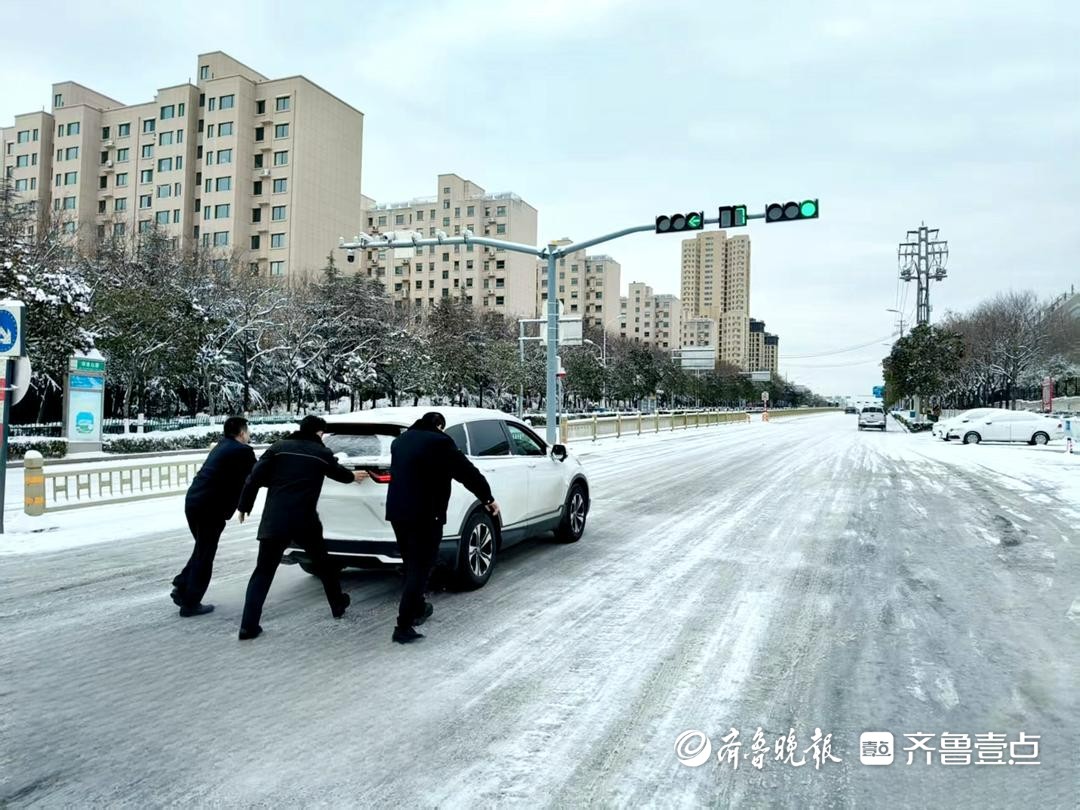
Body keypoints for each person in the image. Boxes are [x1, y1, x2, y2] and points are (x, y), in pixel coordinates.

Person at [235, 415, 367, 641]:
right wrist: (353, 476)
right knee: (323, 564)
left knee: (263, 572)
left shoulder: (278, 448)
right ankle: (337, 604)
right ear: (319, 433)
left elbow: (254, 478)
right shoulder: (321, 452)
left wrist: (244, 506)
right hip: (305, 521)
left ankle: (248, 626)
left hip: (274, 520)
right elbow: (339, 474)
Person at [386, 412, 500, 644]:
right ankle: (403, 625)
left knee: (411, 563)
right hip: (426, 515)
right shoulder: (440, 442)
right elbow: (466, 472)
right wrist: (487, 498)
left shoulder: (400, 442)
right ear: (439, 426)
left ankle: (418, 607)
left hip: (398, 513)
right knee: (421, 567)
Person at [171, 416, 256, 617]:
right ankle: (190, 603)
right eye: (248, 431)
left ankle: (182, 586)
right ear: (242, 433)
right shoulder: (242, 451)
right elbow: (258, 474)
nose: (249, 435)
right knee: (205, 554)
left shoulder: (221, 446)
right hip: (210, 507)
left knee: (202, 548)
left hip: (194, 502)